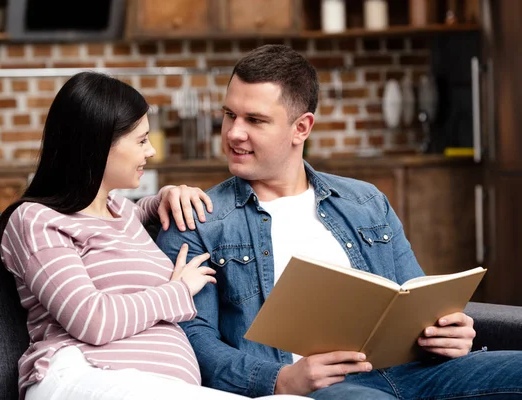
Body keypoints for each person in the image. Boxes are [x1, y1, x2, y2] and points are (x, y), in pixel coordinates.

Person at [156, 45, 522, 399]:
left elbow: (416, 297)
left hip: (416, 373)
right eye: (230, 114)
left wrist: (451, 330)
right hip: (326, 389)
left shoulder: (365, 201)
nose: (234, 133)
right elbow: (192, 336)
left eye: (255, 120)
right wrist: (279, 379)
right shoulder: (197, 217)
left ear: (302, 128)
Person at [0, 71, 305, 400]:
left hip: (158, 387)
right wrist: (178, 291)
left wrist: (169, 195)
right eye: (141, 140)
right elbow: (93, 320)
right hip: (81, 375)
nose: (151, 151)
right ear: (97, 145)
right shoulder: (37, 221)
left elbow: (142, 210)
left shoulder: (123, 212)